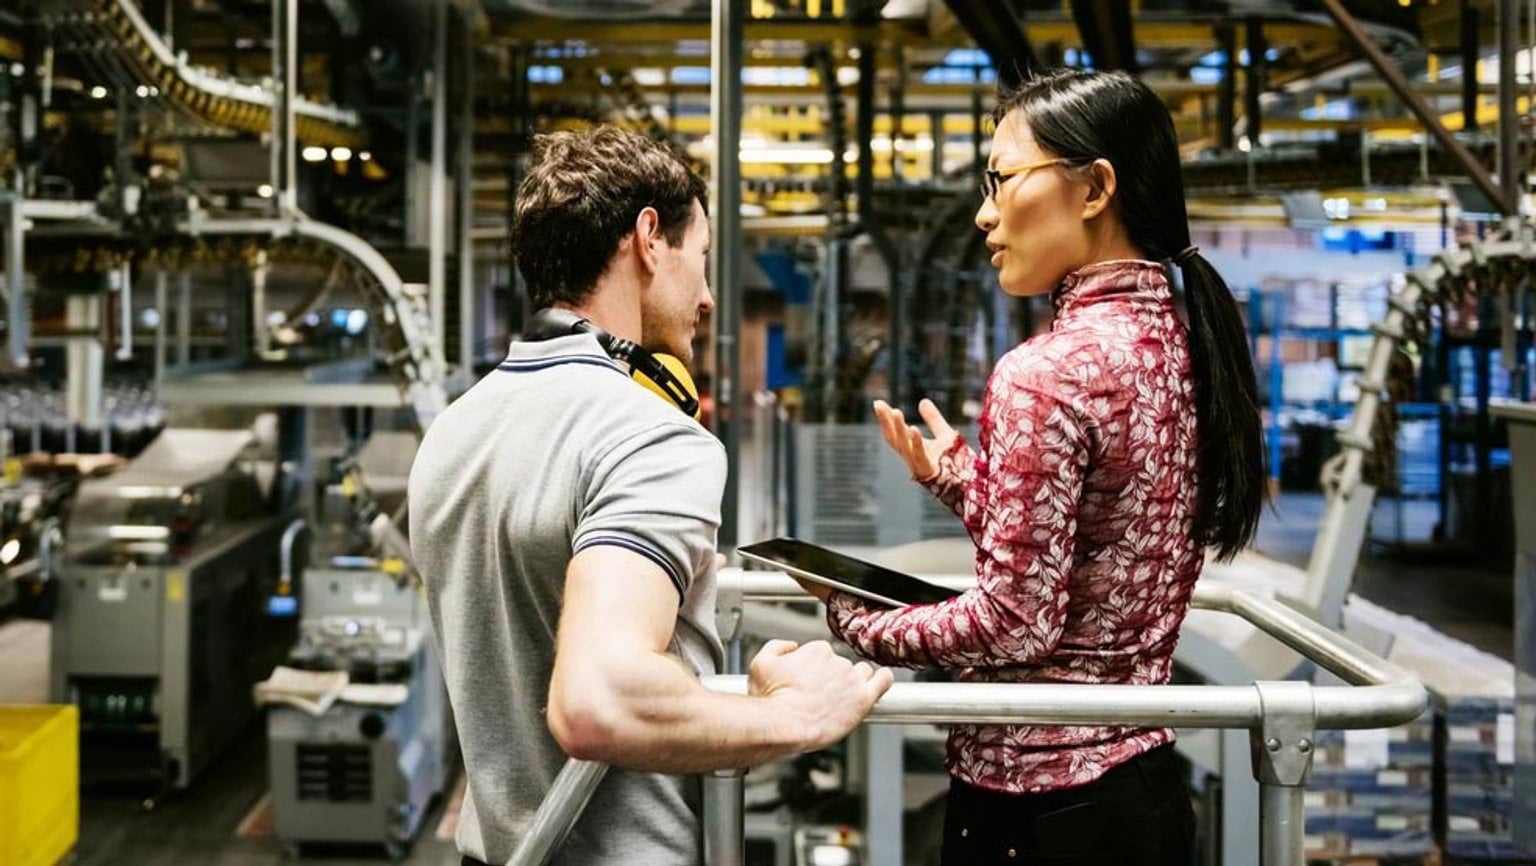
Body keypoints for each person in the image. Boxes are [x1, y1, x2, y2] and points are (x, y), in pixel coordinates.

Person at [802, 69, 1266, 865]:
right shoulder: (1184, 347)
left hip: (1038, 812)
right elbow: (1100, 551)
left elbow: (1017, 621)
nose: (983, 213)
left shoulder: (1045, 372)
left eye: (1002, 180)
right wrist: (959, 479)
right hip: (1143, 792)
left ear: (1095, 189)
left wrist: (858, 623)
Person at [409, 127, 893, 866]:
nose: (706, 297)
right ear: (648, 241)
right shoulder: (651, 436)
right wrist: (791, 715)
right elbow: (598, 700)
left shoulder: (454, 429)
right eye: (701, 259)